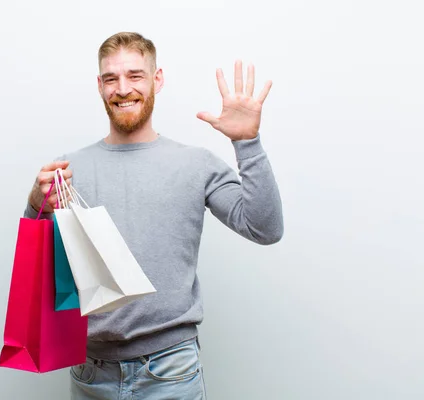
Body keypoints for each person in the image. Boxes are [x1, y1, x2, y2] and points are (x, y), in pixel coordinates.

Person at [24, 32, 283, 400]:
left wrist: (247, 142)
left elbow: (265, 228)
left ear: (156, 80)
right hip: (90, 372)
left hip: (171, 373)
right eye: (111, 78)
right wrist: (35, 205)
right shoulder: (69, 170)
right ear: (99, 86)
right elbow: (40, 267)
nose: (123, 88)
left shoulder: (195, 164)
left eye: (135, 75)